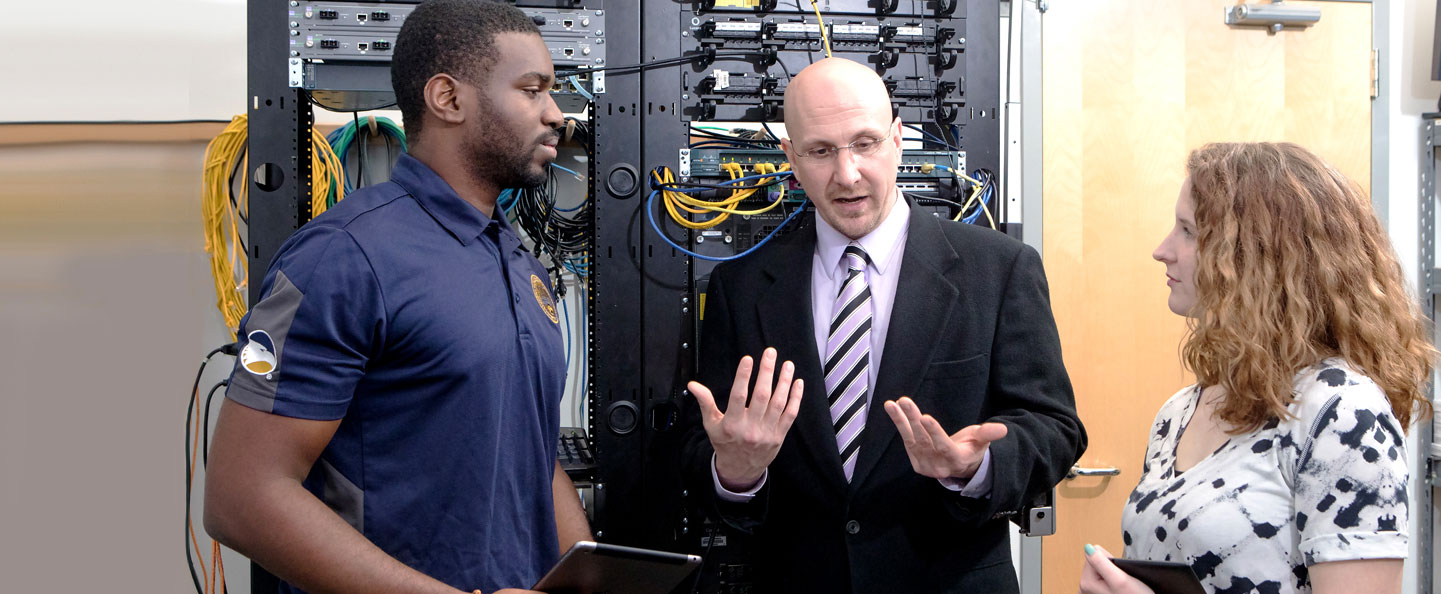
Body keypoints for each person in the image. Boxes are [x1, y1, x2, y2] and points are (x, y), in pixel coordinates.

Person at [203, 2, 590, 593]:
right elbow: (243, 496)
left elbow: (534, 458)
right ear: (448, 99)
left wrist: (583, 577)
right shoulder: (341, 256)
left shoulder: (518, 263)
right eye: (532, 90)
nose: (555, 114)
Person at [680, 57, 1087, 593]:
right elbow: (699, 445)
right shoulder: (742, 286)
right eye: (821, 151)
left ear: (898, 139)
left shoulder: (1000, 268)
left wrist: (975, 467)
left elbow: (1056, 429)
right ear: (792, 159)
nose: (847, 174)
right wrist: (736, 471)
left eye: (865, 143)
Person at [1080, 142, 1433, 594]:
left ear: (1259, 258)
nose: (1162, 250)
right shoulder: (1180, 413)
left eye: (1188, 231)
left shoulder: (1343, 413)